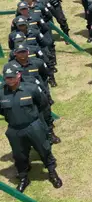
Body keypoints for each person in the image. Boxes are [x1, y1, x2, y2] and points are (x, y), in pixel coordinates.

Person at [0, 65, 62, 193]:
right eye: (7, 78)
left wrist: (42, 122)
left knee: (43, 149)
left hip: (33, 126)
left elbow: (42, 104)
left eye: (12, 77)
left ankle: (51, 172)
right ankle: (23, 177)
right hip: (14, 129)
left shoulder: (31, 88)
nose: (9, 80)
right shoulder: (1, 93)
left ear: (18, 75)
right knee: (19, 154)